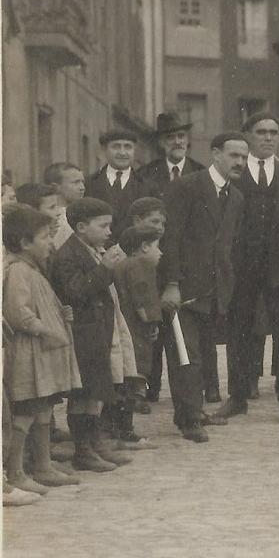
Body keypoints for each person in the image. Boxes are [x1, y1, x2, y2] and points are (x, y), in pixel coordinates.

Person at [215, 113, 279, 425]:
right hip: (243, 268)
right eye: (261, 132)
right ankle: (238, 397)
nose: (269, 138)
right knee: (239, 331)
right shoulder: (234, 175)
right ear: (247, 136)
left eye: (273, 133)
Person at [158, 132, 248, 443]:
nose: (240, 162)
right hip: (183, 289)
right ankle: (188, 419)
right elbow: (170, 239)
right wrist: (171, 284)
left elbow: (228, 246)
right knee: (187, 354)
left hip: (214, 291)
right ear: (215, 154)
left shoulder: (235, 197)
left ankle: (194, 410)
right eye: (234, 155)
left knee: (205, 355)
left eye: (244, 157)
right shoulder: (187, 187)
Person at [49, 197, 134, 471]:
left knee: (97, 390)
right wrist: (105, 268)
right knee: (83, 393)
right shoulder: (68, 255)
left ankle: (95, 443)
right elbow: (75, 292)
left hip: (98, 332)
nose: (110, 232)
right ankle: (83, 450)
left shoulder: (92, 248)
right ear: (82, 227)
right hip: (83, 334)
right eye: (104, 226)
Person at [3, 206, 82, 493]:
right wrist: (47, 329)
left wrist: (62, 315)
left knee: (44, 407)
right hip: (29, 354)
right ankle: (15, 471)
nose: (51, 243)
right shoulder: (18, 272)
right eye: (46, 237)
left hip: (42, 355)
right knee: (26, 412)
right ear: (24, 243)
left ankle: (43, 465)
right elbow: (18, 313)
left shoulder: (34, 270)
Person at [112, 225, 164, 424]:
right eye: (156, 247)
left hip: (124, 325)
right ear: (144, 247)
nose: (160, 253)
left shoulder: (123, 264)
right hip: (136, 329)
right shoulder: (140, 265)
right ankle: (126, 425)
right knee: (136, 373)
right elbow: (142, 299)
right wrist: (152, 323)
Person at [84, 129, 152, 235]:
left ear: (134, 150)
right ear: (103, 150)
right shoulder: (88, 183)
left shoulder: (148, 187)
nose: (122, 152)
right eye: (116, 147)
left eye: (128, 147)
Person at [137, 111, 204, 198]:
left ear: (187, 140)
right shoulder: (146, 173)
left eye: (181, 136)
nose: (177, 142)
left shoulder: (200, 173)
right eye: (170, 137)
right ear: (161, 142)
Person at [43, 163, 86, 249]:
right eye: (76, 182)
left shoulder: (81, 213)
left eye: (82, 182)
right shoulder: (54, 218)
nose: (82, 187)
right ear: (56, 187)